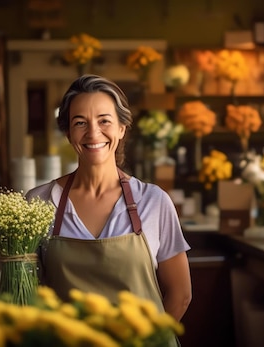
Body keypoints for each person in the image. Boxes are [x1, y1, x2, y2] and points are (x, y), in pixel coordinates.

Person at [25, 74, 192, 326]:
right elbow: (26, 290)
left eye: (104, 121)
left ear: (121, 128)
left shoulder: (154, 201)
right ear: (69, 133)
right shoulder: (39, 202)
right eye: (80, 123)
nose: (93, 132)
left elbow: (180, 295)